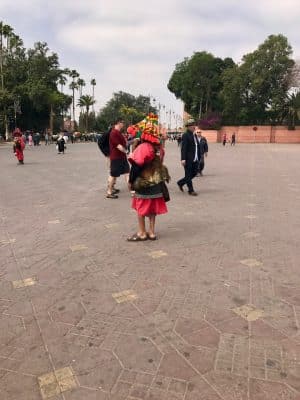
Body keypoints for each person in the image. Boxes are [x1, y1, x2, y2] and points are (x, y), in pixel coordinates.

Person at [127, 113, 170, 241]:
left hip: (143, 182)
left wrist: (130, 181)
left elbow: (136, 166)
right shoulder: (159, 149)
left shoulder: (143, 148)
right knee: (152, 209)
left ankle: (142, 232)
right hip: (156, 184)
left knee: (141, 208)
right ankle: (151, 232)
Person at [106, 118, 129, 199]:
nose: (123, 124)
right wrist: (126, 151)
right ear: (118, 123)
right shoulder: (113, 133)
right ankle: (109, 192)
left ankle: (132, 191)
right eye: (122, 122)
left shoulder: (118, 133)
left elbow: (123, 143)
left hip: (122, 157)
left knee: (127, 172)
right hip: (116, 158)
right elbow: (118, 146)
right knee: (113, 175)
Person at [177, 118, 200, 196]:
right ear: (189, 127)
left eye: (194, 125)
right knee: (188, 174)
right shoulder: (185, 135)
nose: (194, 126)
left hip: (195, 158)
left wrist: (200, 156)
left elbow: (197, 146)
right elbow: (184, 148)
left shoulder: (195, 135)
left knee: (194, 173)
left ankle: (180, 182)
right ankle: (191, 190)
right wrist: (183, 159)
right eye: (192, 125)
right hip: (188, 159)